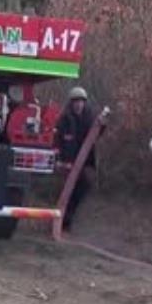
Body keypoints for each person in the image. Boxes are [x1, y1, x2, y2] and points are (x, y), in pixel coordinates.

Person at [55, 86, 101, 231]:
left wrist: (102, 125)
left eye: (81, 101)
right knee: (68, 190)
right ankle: (62, 220)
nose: (78, 104)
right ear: (71, 103)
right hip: (68, 162)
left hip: (83, 161)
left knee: (83, 186)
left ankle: (66, 218)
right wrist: (61, 160)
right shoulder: (64, 119)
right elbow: (58, 140)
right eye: (76, 101)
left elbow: (96, 133)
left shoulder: (89, 117)